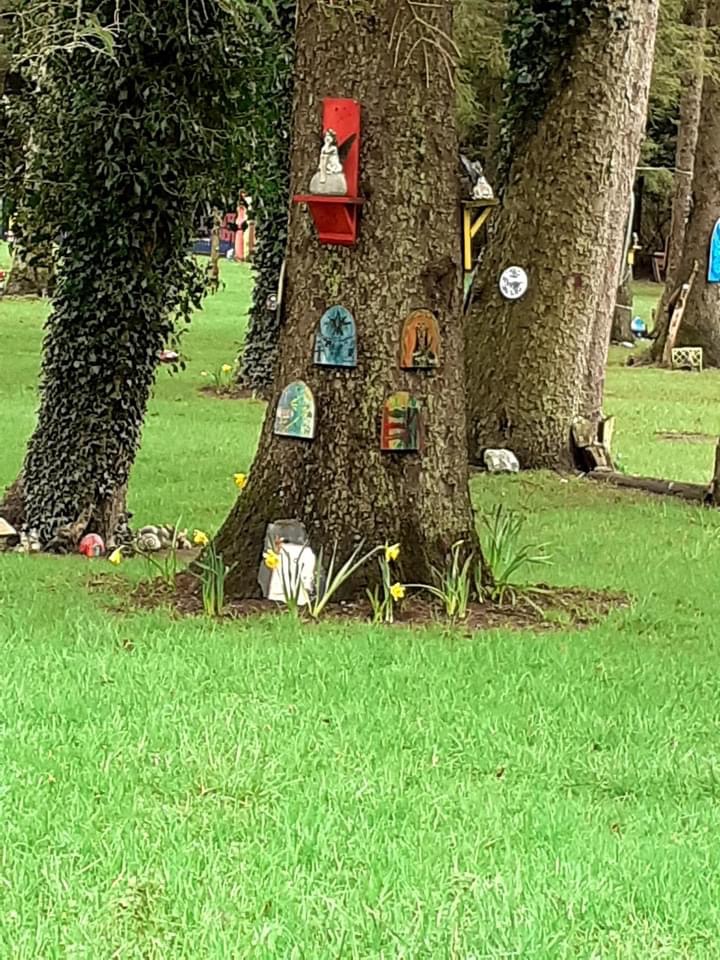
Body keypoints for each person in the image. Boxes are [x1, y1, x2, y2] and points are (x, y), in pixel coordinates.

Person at [310, 129, 347, 196]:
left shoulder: (333, 148)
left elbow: (327, 152)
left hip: (333, 164)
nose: (327, 138)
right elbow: (323, 153)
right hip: (325, 164)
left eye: (329, 136)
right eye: (326, 136)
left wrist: (326, 145)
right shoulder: (324, 147)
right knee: (323, 159)